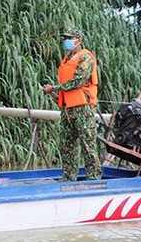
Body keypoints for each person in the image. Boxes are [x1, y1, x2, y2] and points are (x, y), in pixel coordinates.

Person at [41, 27, 102, 182]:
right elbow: (66, 86)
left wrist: (53, 88)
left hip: (83, 108)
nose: (66, 41)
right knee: (67, 145)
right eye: (65, 38)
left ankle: (94, 178)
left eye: (70, 38)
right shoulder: (67, 58)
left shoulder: (85, 58)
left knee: (88, 144)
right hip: (68, 109)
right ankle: (68, 177)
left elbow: (77, 82)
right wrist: (55, 94)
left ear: (79, 40)